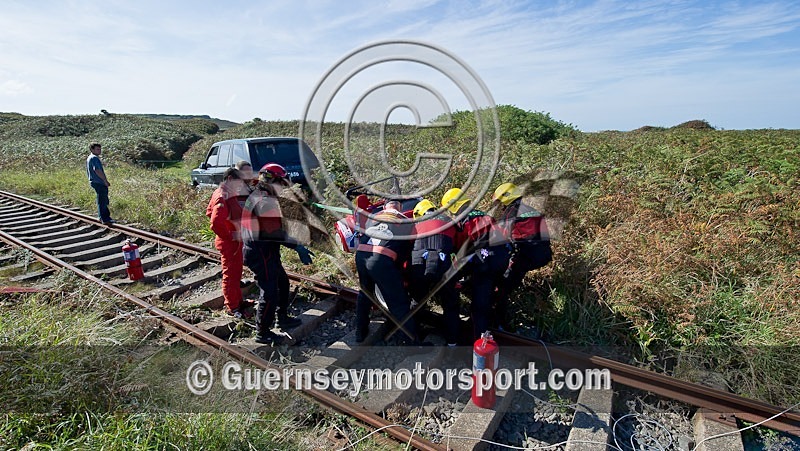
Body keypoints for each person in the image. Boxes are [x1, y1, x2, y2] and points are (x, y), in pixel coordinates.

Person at [241, 163, 314, 345]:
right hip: (261, 252)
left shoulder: (258, 194)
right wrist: (297, 246)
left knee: (282, 282)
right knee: (269, 292)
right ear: (272, 180)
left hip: (262, 248)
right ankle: (262, 332)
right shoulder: (265, 201)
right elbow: (274, 232)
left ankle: (282, 318)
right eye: (281, 182)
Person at [442, 187, 510, 340]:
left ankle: (479, 342)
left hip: (485, 260)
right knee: (492, 292)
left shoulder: (462, 221)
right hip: (502, 257)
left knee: (479, 304)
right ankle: (498, 322)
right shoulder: (485, 215)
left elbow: (458, 247)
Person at [492, 182, 552, 329]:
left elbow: (499, 238)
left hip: (522, 256)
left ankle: (498, 323)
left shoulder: (511, 213)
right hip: (541, 255)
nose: (500, 205)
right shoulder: (533, 211)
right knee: (510, 282)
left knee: (501, 287)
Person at [354, 200, 416, 344]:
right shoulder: (405, 221)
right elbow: (406, 250)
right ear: (400, 207)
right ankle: (410, 342)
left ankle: (360, 332)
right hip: (381, 259)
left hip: (361, 255)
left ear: (384, 207)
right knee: (398, 303)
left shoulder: (374, 216)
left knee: (365, 294)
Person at [408, 199, 460, 346]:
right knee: (450, 304)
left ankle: (413, 337)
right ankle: (452, 342)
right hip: (443, 264)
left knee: (417, 301)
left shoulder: (415, 225)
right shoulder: (450, 221)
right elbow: (456, 245)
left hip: (419, 263)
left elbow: (410, 245)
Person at [206, 167, 252, 317]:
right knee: (230, 275)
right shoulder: (222, 195)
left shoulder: (227, 193)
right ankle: (232, 307)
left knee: (236, 273)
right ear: (231, 179)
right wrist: (230, 235)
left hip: (235, 242)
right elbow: (215, 222)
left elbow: (210, 212)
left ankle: (238, 301)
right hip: (230, 243)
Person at [86, 143, 114, 224]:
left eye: (100, 149)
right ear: (92, 149)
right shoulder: (94, 158)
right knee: (103, 200)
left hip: (94, 181)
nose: (99, 151)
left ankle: (102, 217)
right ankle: (105, 219)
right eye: (97, 149)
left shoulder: (90, 157)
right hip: (98, 182)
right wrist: (105, 180)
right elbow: (97, 170)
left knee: (101, 199)